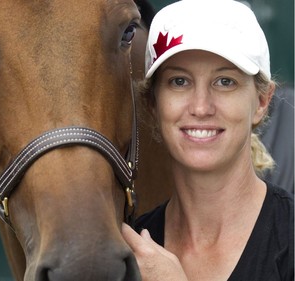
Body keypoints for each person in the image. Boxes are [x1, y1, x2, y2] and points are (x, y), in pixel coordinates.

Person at [122, 0, 294, 280]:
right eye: (180, 81)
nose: (201, 107)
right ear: (153, 103)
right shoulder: (133, 253)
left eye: (225, 82)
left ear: (262, 101)